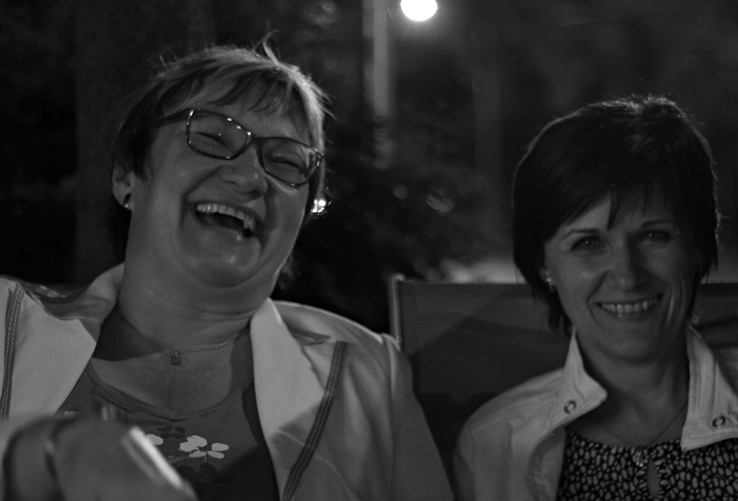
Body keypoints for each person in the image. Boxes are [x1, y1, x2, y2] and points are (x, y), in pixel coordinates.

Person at [0, 43, 453, 501]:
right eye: (213, 138)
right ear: (126, 175)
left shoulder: (368, 374)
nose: (251, 177)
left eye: (287, 163)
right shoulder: (5, 326)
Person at [454, 95, 738, 500]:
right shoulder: (492, 444)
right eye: (588, 243)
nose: (627, 276)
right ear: (543, 264)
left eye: (654, 236)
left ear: (698, 245)